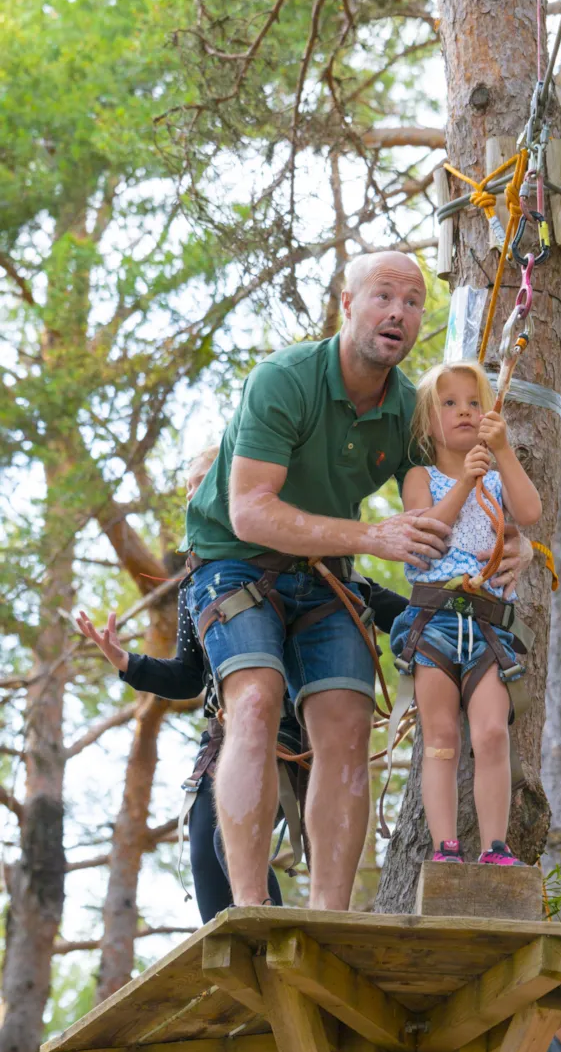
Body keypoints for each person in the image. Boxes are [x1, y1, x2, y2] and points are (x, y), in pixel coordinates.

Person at [182, 250, 529, 909]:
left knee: (344, 728)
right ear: (347, 303)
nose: (397, 312)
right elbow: (250, 511)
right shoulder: (284, 381)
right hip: (234, 557)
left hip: (325, 570)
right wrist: (373, 536)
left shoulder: (408, 411)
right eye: (382, 296)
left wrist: (514, 546)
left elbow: (460, 489)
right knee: (254, 702)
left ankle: (327, 920)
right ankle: (252, 909)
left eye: (412, 301)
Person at [76, 445, 412, 921]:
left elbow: (372, 599)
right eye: (191, 488)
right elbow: (190, 675)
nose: (198, 495)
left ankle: (271, 927)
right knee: (207, 860)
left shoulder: (305, 567)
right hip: (224, 740)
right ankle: (242, 956)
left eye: (207, 482)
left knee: (225, 841)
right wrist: (127, 662)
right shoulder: (203, 583)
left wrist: (445, 611)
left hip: (291, 735)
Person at [389, 361, 541, 865]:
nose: (464, 412)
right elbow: (427, 536)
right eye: (449, 404)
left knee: (493, 732)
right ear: (427, 422)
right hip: (433, 621)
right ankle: (444, 847)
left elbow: (532, 512)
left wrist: (500, 454)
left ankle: (496, 846)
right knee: (441, 737)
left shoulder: (496, 480)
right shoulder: (420, 477)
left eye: (475, 403)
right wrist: (463, 482)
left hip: (486, 624)